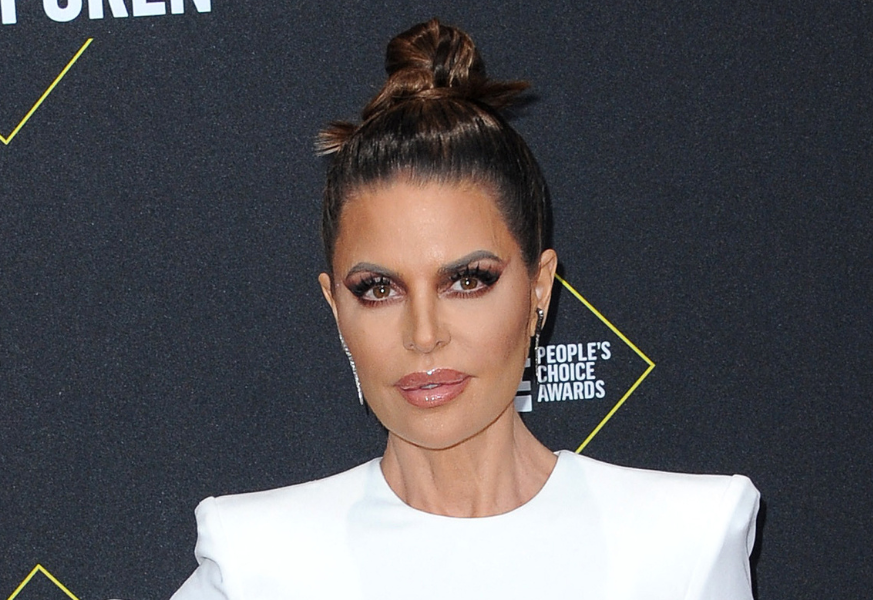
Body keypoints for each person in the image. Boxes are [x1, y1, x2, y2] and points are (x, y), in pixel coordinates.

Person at [170, 18, 759, 600]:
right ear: (334, 306)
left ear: (539, 288)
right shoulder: (259, 563)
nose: (423, 335)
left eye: (468, 281)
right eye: (378, 289)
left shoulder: (685, 542)